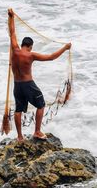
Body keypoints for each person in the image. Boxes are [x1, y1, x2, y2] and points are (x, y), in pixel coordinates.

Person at [8, 8, 71, 141]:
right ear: (30, 46)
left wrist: (11, 17)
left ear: (22, 44)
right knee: (41, 105)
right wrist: (65, 48)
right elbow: (51, 57)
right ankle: (37, 131)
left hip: (17, 85)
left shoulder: (14, 50)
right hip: (28, 85)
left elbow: (12, 32)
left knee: (18, 109)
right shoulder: (31, 55)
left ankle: (19, 137)